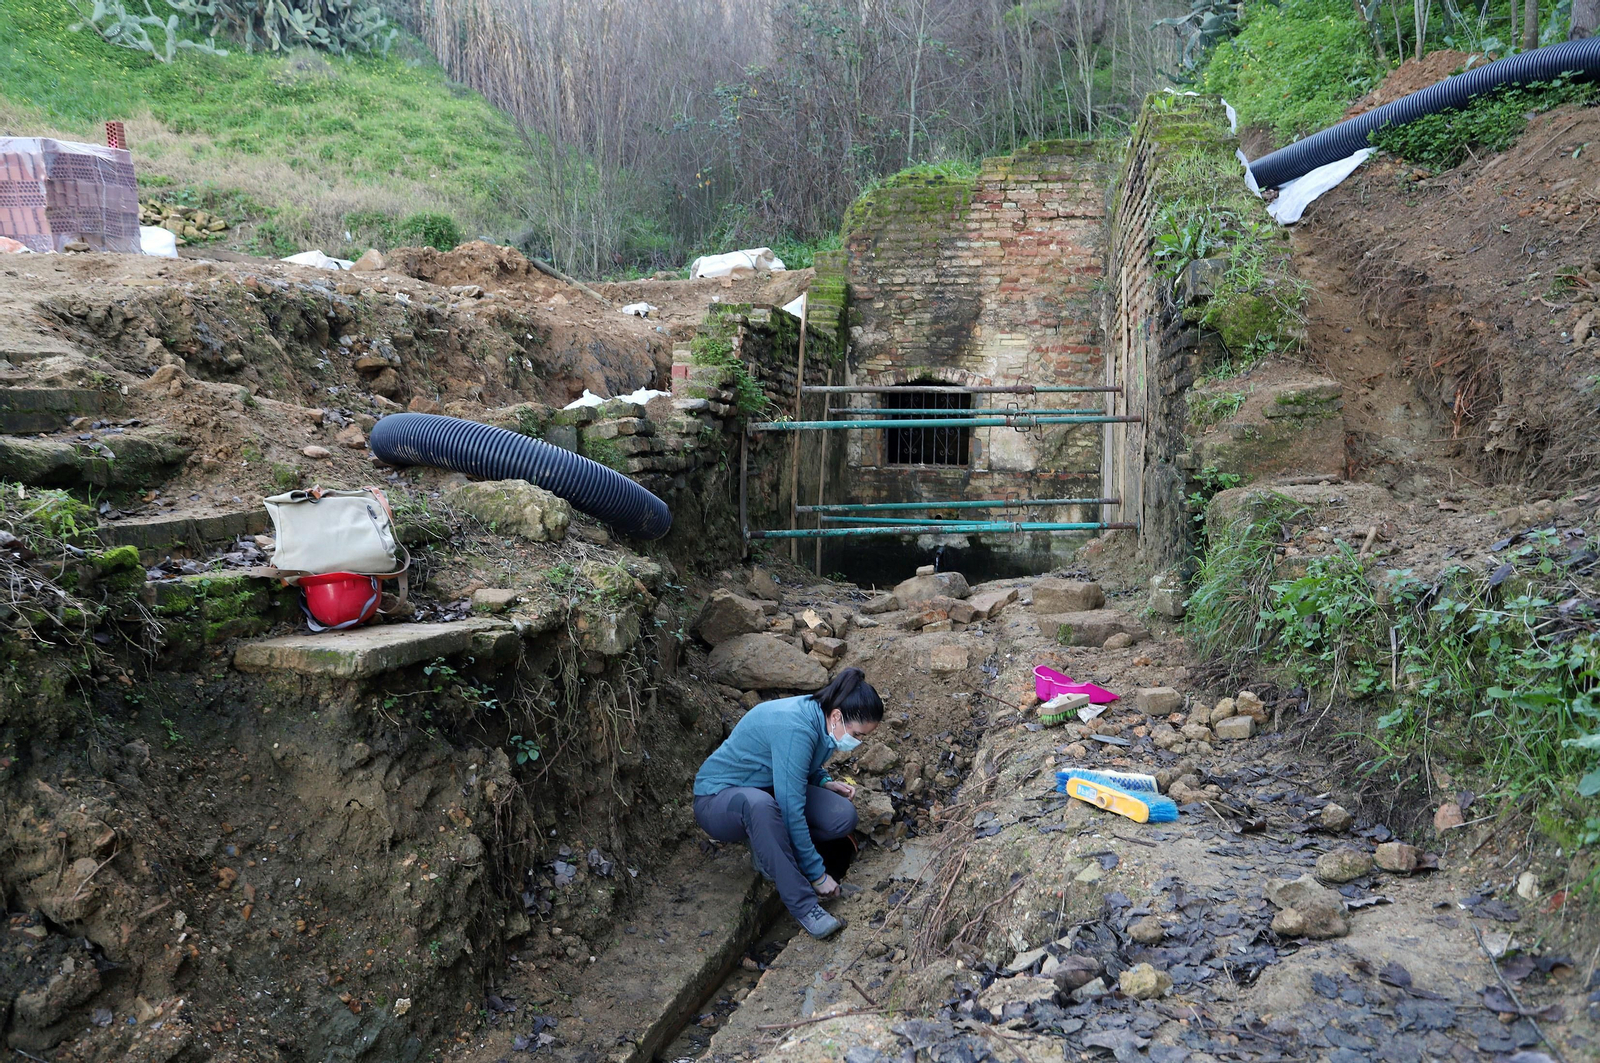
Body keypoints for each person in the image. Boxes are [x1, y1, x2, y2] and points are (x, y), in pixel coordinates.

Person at [693, 667, 884, 939]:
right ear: (838, 716)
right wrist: (817, 875)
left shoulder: (825, 718)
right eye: (859, 734)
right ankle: (804, 905)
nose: (860, 741)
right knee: (761, 806)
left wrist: (822, 780)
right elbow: (791, 810)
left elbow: (798, 762)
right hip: (719, 800)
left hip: (765, 788)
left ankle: (770, 848)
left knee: (842, 816)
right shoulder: (795, 726)